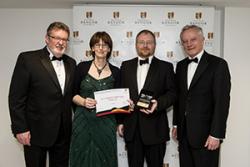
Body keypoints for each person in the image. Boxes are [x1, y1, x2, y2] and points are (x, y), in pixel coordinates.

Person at [8, 22, 76, 167]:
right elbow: (16, 97)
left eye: (64, 39)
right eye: (56, 37)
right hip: (35, 132)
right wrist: (20, 128)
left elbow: (70, 96)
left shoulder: (71, 63)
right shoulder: (28, 59)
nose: (61, 42)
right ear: (46, 38)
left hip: (63, 132)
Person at [172, 25, 231, 167]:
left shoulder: (218, 64)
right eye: (185, 41)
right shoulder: (180, 66)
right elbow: (179, 98)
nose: (189, 44)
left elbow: (221, 102)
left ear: (203, 40)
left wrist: (216, 134)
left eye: (193, 39)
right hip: (184, 134)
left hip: (207, 136)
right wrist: (176, 124)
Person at [117, 29, 176, 167]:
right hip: (132, 128)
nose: (145, 45)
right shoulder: (125, 66)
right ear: (136, 45)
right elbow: (120, 93)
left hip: (155, 130)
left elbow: (173, 93)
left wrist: (159, 103)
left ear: (155, 45)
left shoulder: (165, 67)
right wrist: (120, 121)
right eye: (141, 42)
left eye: (149, 42)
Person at [69, 31, 120, 167]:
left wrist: (127, 104)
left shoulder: (116, 71)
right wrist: (84, 102)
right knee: (81, 156)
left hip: (106, 123)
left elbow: (119, 99)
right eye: (97, 44)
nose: (101, 48)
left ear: (109, 49)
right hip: (82, 122)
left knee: (105, 157)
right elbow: (72, 94)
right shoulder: (81, 67)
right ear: (92, 48)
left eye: (105, 45)